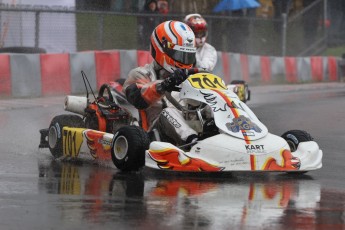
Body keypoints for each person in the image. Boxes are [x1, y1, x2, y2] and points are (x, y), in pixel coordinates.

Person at [123, 20, 199, 145]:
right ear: (162, 50)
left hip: (191, 125)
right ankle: (194, 143)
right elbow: (137, 97)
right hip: (154, 136)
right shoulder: (141, 74)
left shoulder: (191, 77)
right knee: (168, 112)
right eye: (180, 55)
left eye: (187, 56)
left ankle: (235, 138)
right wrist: (165, 84)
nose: (184, 61)